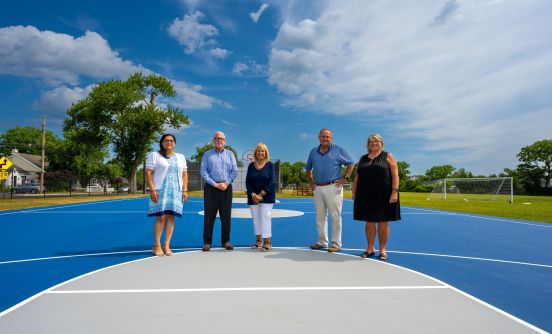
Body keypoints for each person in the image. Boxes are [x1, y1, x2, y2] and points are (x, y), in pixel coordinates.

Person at [352, 133, 401, 261]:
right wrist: (354, 192)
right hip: (365, 195)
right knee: (369, 222)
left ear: (381, 143)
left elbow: (395, 175)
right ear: (367, 144)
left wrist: (394, 191)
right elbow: (357, 176)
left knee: (383, 222)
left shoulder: (388, 156)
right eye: (371, 142)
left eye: (376, 141)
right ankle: (370, 248)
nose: (373, 143)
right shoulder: (362, 158)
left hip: (384, 194)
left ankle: (383, 250)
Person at [306, 128, 355, 252]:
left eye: (328, 137)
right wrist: (311, 183)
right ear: (319, 137)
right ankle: (322, 241)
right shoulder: (313, 152)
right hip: (318, 187)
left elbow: (351, 163)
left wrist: (346, 177)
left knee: (335, 216)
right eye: (323, 136)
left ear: (331, 138)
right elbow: (308, 169)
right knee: (320, 216)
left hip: (334, 186)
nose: (325, 139)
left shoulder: (338, 150)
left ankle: (336, 244)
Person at [146, 134, 188, 256]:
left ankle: (166, 244)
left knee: (171, 217)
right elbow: (149, 173)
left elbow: (184, 174)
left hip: (176, 191)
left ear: (175, 143)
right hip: (160, 190)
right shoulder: (155, 155)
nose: (169, 142)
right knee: (161, 217)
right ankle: (157, 245)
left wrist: (185, 190)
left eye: (171, 140)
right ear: (162, 142)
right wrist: (152, 190)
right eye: (166, 140)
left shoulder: (181, 157)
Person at [200, 131, 238, 251]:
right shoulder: (207, 154)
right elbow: (203, 171)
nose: (219, 140)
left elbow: (234, 170)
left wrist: (226, 183)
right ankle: (207, 242)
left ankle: (226, 241)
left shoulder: (230, 154)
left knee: (226, 216)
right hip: (211, 188)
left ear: (225, 141)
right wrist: (215, 184)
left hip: (226, 188)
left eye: (221, 138)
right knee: (209, 216)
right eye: (217, 138)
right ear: (213, 140)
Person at [246, 143, 276, 252]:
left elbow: (272, 181)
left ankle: (267, 242)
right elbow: (248, 181)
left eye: (263, 151)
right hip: (253, 197)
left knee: (265, 217)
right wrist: (253, 194)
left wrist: (261, 194)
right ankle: (258, 241)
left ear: (266, 153)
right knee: (256, 219)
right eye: (258, 151)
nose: (260, 153)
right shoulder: (251, 165)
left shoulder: (270, 165)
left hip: (267, 197)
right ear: (255, 153)